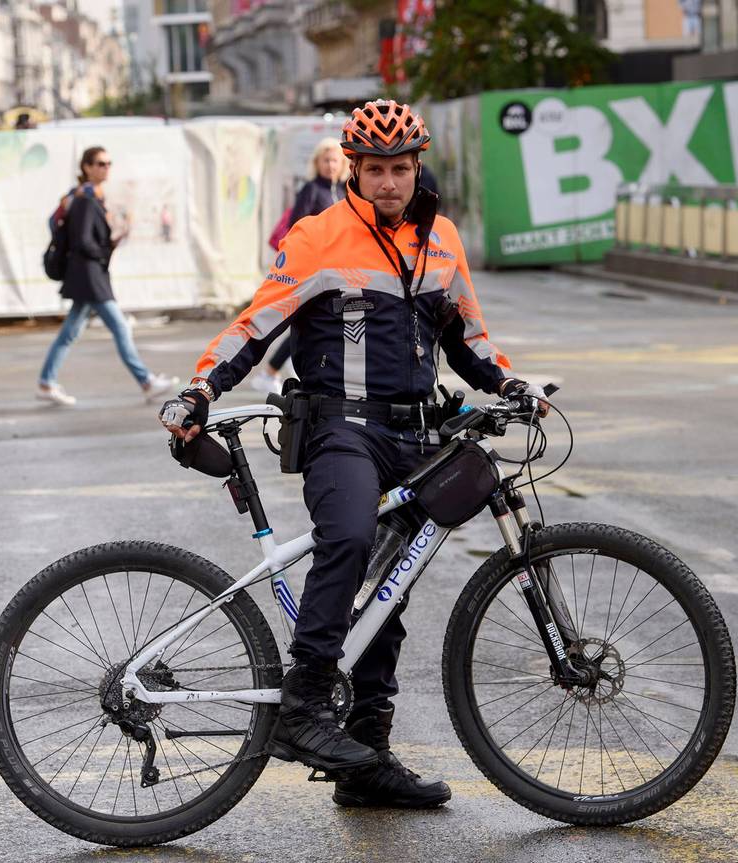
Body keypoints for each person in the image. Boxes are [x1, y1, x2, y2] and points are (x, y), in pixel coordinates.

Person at [159, 99, 546, 809]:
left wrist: (510, 381)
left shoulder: (442, 241)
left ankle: (366, 759)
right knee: (348, 535)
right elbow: (255, 327)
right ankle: (304, 709)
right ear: (354, 170)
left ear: (416, 168)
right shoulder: (319, 237)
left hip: (415, 433)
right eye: (376, 169)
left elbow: (467, 338)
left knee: (388, 594)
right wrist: (201, 390)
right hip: (341, 430)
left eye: (401, 168)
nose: (390, 182)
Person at [37, 146, 177, 406]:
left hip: (87, 276)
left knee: (70, 333)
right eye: (100, 163)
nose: (106, 168)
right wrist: (106, 247)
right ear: (87, 167)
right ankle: (146, 381)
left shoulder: (92, 198)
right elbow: (83, 241)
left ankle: (46, 381)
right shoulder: (85, 199)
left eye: (108, 163)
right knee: (120, 327)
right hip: (90, 277)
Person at [250, 138, 350, 395]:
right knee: (304, 321)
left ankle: (276, 370)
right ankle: (272, 370)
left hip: (340, 271)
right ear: (317, 163)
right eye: (325, 160)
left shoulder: (346, 190)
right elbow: (298, 230)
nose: (330, 165)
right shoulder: (311, 190)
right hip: (314, 270)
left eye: (335, 160)